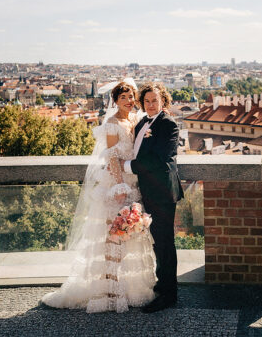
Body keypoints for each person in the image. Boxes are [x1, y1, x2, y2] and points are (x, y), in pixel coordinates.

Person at [41, 79, 156, 313]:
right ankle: (110, 289)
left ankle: (129, 287)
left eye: (131, 96)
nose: (128, 101)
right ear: (115, 101)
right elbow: (112, 158)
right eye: (123, 97)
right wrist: (120, 187)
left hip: (134, 183)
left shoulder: (136, 120)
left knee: (131, 236)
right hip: (116, 184)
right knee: (112, 235)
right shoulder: (113, 124)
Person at [121, 82, 184, 313]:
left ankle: (169, 294)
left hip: (163, 193)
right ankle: (163, 285)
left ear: (163, 101)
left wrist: (127, 166)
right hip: (149, 192)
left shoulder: (168, 123)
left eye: (154, 100)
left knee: (165, 243)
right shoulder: (142, 123)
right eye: (146, 101)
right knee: (158, 241)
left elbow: (159, 159)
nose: (150, 104)